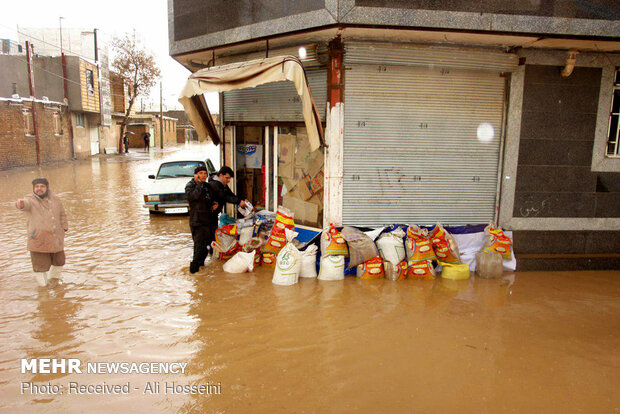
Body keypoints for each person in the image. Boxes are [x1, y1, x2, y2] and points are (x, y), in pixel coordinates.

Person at [15, 178, 68, 287]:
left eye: (42, 186)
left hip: (56, 239)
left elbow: (62, 214)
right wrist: (20, 204)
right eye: (37, 187)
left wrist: (64, 227)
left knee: (59, 261)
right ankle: (43, 289)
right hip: (38, 239)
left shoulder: (56, 199)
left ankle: (53, 281)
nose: (39, 189)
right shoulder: (30, 199)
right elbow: (25, 204)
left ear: (47, 188)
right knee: (40, 267)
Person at [185, 166, 218, 274]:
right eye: (200, 173)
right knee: (199, 247)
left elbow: (211, 198)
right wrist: (199, 184)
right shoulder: (190, 186)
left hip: (207, 220)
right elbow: (194, 197)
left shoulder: (207, 186)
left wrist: (214, 203)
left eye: (205, 173)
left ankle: (200, 273)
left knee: (205, 248)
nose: (203, 175)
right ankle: (193, 272)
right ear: (195, 175)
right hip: (197, 221)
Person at [207, 166, 250, 246]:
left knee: (214, 232)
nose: (228, 180)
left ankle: (213, 250)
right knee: (211, 233)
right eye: (227, 178)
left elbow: (231, 195)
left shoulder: (222, 184)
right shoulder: (215, 184)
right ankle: (212, 251)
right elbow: (224, 196)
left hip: (214, 212)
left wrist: (242, 200)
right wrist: (238, 201)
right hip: (208, 213)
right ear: (220, 175)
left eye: (229, 178)